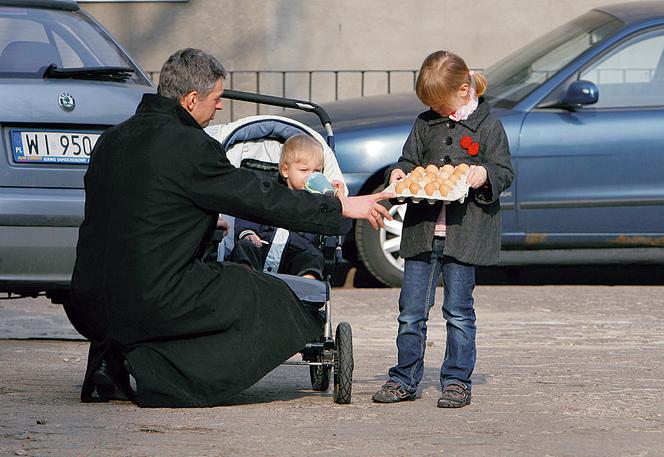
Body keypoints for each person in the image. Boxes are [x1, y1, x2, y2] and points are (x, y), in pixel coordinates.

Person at [63, 48, 393, 408]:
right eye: (216, 98)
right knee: (268, 297)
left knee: (198, 283)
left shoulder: (112, 140)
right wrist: (340, 205)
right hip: (149, 299)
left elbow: (144, 211)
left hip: (88, 300)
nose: (220, 107)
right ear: (191, 100)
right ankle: (157, 376)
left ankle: (112, 361)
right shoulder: (190, 146)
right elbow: (259, 197)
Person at [372, 50, 514, 408]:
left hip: (465, 236)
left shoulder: (487, 125)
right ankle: (404, 377)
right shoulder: (424, 124)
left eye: (439, 102)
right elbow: (408, 159)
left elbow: (504, 171)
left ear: (464, 89)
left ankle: (456, 379)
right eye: (430, 104)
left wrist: (484, 175)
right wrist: (399, 173)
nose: (434, 109)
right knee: (411, 311)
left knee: (459, 311)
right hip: (422, 233)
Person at [230, 134, 338, 279]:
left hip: (294, 256)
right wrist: (248, 233)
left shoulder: (319, 202)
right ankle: (244, 278)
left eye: (317, 171)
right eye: (304, 170)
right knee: (244, 247)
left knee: (314, 256)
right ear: (286, 171)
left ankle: (306, 285)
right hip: (263, 247)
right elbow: (249, 213)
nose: (311, 177)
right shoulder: (270, 195)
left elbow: (332, 226)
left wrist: (335, 199)